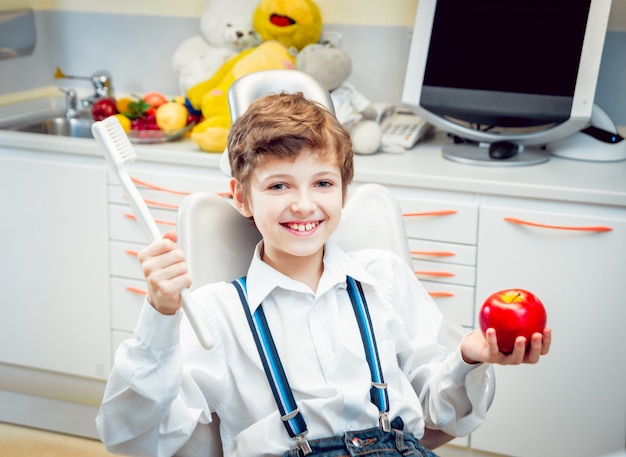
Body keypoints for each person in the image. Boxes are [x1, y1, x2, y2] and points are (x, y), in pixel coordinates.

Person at [96, 92, 551, 457]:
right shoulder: (214, 313)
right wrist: (159, 315)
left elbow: (443, 413)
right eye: (278, 186)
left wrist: (468, 359)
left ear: (343, 190)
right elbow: (134, 440)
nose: (304, 204)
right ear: (242, 197)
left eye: (322, 183)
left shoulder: (383, 279)